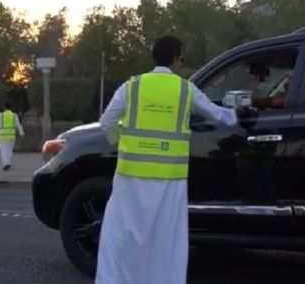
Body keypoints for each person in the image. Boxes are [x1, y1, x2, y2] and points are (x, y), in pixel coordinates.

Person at [95, 35, 242, 284]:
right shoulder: (185, 89)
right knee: (166, 241)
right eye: (181, 59)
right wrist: (241, 115)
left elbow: (106, 122)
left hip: (130, 177)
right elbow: (218, 115)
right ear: (175, 59)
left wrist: (125, 141)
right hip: (170, 180)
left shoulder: (132, 86)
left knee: (122, 236)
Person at [0, 101, 25, 171]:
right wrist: (21, 133)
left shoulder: (1, 115)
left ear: (4, 107)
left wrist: (0, 128)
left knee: (3, 151)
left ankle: (6, 164)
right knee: (9, 150)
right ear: (11, 107)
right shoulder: (14, 115)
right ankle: (8, 163)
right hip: (11, 136)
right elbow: (18, 125)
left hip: (2, 136)